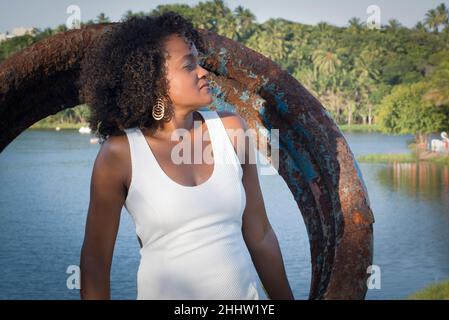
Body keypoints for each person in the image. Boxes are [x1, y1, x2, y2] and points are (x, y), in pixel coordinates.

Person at [79, 12, 294, 300]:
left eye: (199, 62)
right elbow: (95, 263)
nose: (203, 72)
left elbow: (260, 234)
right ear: (153, 80)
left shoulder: (230, 130)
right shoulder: (120, 155)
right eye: (188, 65)